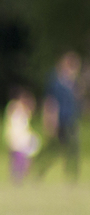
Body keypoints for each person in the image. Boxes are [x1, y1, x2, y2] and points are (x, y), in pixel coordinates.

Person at [34, 52, 80, 183]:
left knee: (73, 148)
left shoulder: (71, 82)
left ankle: (72, 176)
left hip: (70, 120)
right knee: (54, 148)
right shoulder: (55, 81)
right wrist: (49, 121)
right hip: (59, 120)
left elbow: (75, 101)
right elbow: (50, 102)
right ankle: (38, 167)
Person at [5, 85, 41, 184]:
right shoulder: (14, 107)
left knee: (21, 158)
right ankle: (17, 176)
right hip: (17, 137)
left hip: (21, 138)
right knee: (18, 158)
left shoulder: (21, 110)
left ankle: (18, 176)